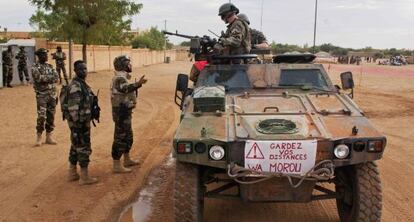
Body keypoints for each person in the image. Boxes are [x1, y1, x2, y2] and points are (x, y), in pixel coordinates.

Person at [111, 55, 147, 173]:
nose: (130, 65)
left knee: (128, 136)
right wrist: (138, 83)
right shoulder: (119, 79)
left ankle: (127, 159)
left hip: (125, 111)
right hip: (121, 113)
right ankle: (117, 165)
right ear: (123, 65)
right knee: (120, 138)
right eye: (128, 63)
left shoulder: (123, 77)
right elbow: (125, 89)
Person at [64, 60, 98, 185]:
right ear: (75, 71)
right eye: (81, 69)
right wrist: (78, 125)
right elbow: (73, 109)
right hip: (79, 123)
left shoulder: (81, 84)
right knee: (84, 146)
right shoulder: (76, 86)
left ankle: (72, 173)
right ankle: (84, 177)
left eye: (85, 69)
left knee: (75, 146)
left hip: (81, 122)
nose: (84, 71)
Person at [32, 48, 59, 146]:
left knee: (51, 116)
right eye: (44, 54)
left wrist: (46, 78)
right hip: (41, 95)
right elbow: (39, 79)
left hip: (52, 95)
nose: (46, 56)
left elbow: (56, 78)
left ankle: (49, 136)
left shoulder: (50, 66)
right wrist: (49, 78)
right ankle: (39, 137)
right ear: (39, 56)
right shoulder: (35, 67)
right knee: (41, 116)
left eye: (46, 54)